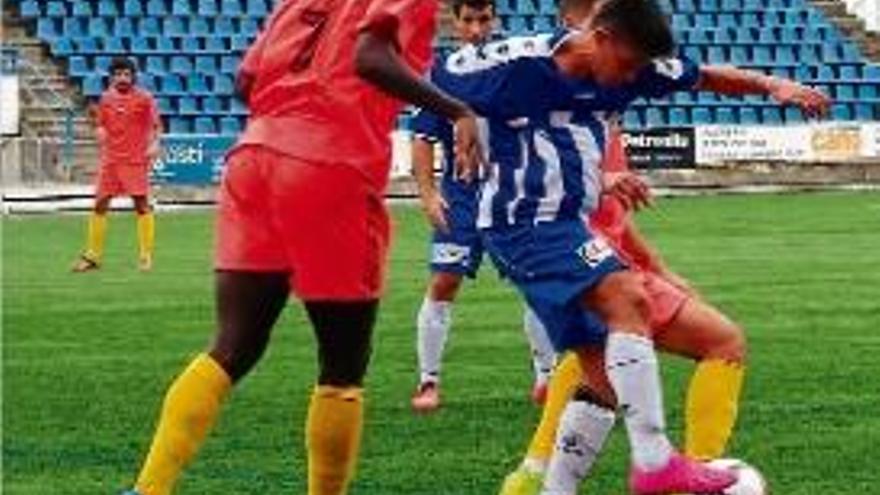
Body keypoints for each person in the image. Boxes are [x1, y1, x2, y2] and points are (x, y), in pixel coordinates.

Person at [432, 0, 829, 492]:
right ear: (599, 37)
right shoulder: (520, 63)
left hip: (566, 224)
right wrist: (457, 113)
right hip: (523, 223)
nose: (631, 78)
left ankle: (555, 487)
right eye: (627, 64)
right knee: (628, 299)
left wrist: (771, 85)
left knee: (598, 371)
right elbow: (420, 71)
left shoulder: (632, 69)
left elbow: (703, 76)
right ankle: (656, 463)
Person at [119, 0, 483, 493]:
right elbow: (369, 57)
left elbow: (245, 80)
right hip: (329, 164)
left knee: (233, 345)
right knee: (342, 366)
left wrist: (289, 111)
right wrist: (456, 109)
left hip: (254, 159)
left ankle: (147, 488)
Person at [410, 0, 557, 413]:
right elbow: (421, 137)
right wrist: (426, 193)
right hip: (462, 197)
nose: (477, 28)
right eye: (468, 20)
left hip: (511, 194)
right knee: (444, 283)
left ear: (495, 20)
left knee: (532, 283)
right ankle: (428, 381)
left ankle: (546, 377)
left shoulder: (511, 66)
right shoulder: (441, 73)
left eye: (484, 19)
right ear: (454, 23)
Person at [71, 56, 161, 273]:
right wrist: (99, 131)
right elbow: (101, 124)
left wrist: (156, 143)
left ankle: (145, 256)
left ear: (133, 77)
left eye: (126, 74)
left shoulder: (145, 99)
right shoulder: (105, 99)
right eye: (118, 74)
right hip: (111, 161)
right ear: (111, 78)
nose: (122, 78)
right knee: (100, 204)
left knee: (141, 205)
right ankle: (93, 256)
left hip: (135, 161)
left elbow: (156, 126)